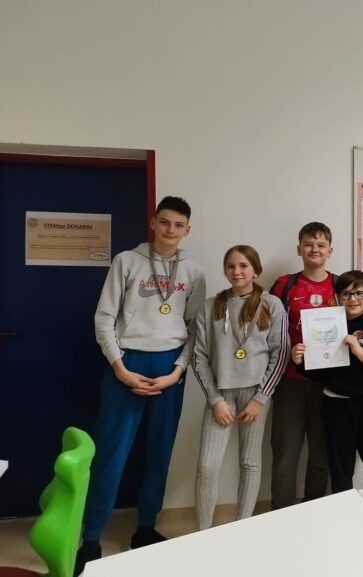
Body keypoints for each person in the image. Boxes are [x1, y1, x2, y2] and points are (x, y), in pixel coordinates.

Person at [77, 196, 207, 574]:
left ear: (187, 230)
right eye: (164, 222)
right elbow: (104, 318)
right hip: (127, 363)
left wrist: (177, 372)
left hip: (169, 367)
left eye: (178, 225)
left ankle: (145, 528)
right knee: (110, 454)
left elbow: (195, 328)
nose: (170, 230)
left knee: (159, 454)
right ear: (153, 222)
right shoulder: (126, 261)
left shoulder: (194, 272)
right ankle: (91, 537)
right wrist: (119, 367)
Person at [192, 245, 287, 529]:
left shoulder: (272, 304)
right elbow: (198, 357)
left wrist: (261, 398)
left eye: (244, 266)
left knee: (249, 462)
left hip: (255, 395)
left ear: (255, 270)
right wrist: (214, 400)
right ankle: (204, 532)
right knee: (207, 465)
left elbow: (281, 353)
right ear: (225, 270)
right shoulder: (210, 306)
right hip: (221, 395)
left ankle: (242, 527)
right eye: (231, 266)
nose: (237, 271)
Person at [292, 271, 363, 492]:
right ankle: (344, 513)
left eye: (359, 293)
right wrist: (300, 361)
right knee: (340, 472)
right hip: (336, 406)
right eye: (346, 294)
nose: (353, 299)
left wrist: (360, 351)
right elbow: (320, 375)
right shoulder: (327, 325)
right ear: (338, 297)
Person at [268, 222, 335, 510]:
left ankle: (314, 510)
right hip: (290, 381)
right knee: (285, 454)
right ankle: (281, 514)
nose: (314, 249)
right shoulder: (284, 285)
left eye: (321, 245)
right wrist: (289, 351)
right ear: (299, 249)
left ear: (330, 250)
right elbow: (268, 330)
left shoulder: (341, 285)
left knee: (321, 454)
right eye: (308, 244)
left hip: (329, 384)